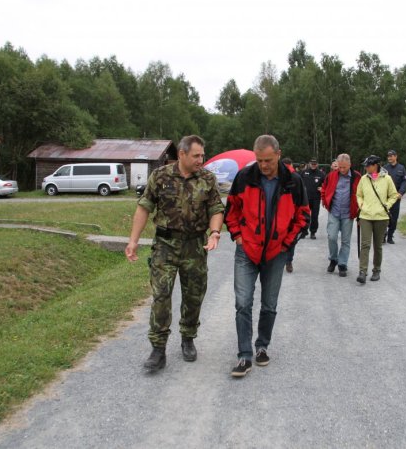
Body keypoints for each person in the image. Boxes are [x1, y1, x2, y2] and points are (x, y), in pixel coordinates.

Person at [125, 135, 225, 372]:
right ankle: (158, 349)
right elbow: (144, 207)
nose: (201, 159)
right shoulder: (160, 176)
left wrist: (214, 233)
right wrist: (133, 241)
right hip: (165, 245)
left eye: (203, 155)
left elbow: (216, 209)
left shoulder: (207, 179)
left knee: (193, 296)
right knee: (161, 295)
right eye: (196, 155)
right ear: (182, 154)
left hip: (195, 247)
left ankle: (188, 337)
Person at [225, 135, 310, 378]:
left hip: (276, 253)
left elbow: (303, 216)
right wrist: (238, 237)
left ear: (279, 155)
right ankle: (244, 355)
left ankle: (262, 346)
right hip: (247, 251)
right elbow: (231, 210)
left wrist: (286, 244)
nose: (264, 165)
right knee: (243, 302)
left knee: (269, 305)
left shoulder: (293, 181)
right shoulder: (244, 177)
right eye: (260, 160)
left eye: (268, 160)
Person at [355, 155, 400, 284]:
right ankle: (362, 271)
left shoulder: (387, 179)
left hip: (381, 217)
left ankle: (376, 270)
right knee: (365, 244)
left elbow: (394, 195)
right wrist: (361, 204)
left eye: (368, 165)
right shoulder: (363, 179)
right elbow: (359, 194)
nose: (366, 168)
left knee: (377, 245)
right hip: (366, 216)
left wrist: (387, 205)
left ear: (375, 165)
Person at [320, 154, 362, 278]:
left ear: (350, 165)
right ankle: (333, 259)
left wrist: (359, 209)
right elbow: (324, 188)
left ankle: (342, 264)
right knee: (332, 237)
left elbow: (362, 192)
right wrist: (325, 200)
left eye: (344, 167)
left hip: (348, 213)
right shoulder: (331, 175)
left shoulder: (357, 177)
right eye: (340, 167)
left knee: (345, 240)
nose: (342, 170)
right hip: (334, 211)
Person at [281, 157, 304, 272]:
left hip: (287, 212)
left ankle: (287, 261)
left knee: (289, 237)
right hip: (291, 212)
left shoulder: (294, 177)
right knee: (291, 238)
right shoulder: (297, 177)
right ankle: (287, 261)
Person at [383, 150, 406, 244]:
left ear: (396, 157)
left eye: (391, 156)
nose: (389, 158)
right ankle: (383, 235)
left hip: (396, 197)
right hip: (385, 197)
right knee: (384, 216)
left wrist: (401, 193)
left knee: (394, 218)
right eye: (388, 156)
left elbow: (404, 182)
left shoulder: (401, 168)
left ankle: (390, 235)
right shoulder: (384, 168)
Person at [301, 158, 326, 240]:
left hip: (316, 198)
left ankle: (313, 232)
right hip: (306, 198)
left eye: (315, 164)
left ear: (317, 164)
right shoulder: (304, 172)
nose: (313, 165)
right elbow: (299, 182)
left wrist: (322, 188)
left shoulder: (321, 174)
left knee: (314, 216)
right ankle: (304, 232)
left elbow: (326, 185)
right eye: (312, 163)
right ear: (309, 163)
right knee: (305, 216)